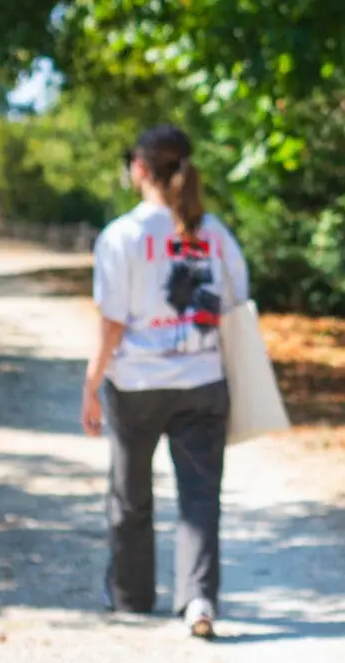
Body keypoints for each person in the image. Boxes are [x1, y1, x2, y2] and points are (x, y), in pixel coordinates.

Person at [79, 124, 250, 640]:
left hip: (137, 385)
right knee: (200, 496)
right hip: (203, 381)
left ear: (140, 169)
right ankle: (199, 599)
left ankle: (132, 598)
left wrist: (91, 385)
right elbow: (236, 304)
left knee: (130, 495)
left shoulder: (122, 237)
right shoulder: (214, 233)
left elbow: (111, 323)